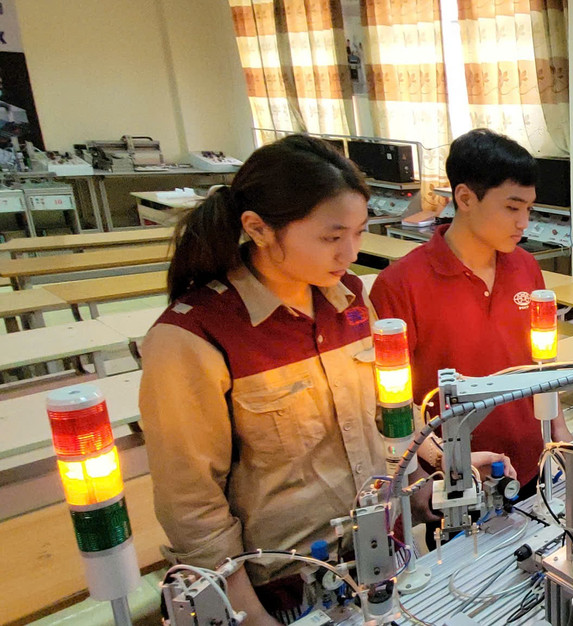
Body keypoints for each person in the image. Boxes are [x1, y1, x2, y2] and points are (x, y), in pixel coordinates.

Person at [140, 135, 512, 625]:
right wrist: (252, 618)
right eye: (332, 237)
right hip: (284, 591)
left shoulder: (351, 300)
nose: (351, 253)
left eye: (358, 232)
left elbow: (383, 423)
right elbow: (194, 512)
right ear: (258, 229)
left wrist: (432, 480)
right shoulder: (193, 338)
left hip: (388, 556)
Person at [370, 128, 572, 499]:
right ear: (464, 197)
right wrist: (422, 479)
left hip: (530, 462)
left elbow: (543, 362)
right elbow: (391, 405)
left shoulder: (526, 267)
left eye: (529, 208)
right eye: (512, 208)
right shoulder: (400, 284)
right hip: (456, 476)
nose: (524, 222)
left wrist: (558, 430)